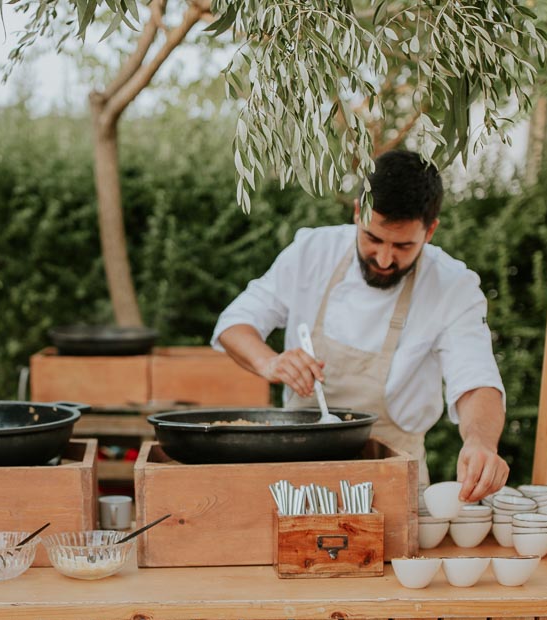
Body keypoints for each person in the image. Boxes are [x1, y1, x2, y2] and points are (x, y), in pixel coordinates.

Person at [212, 149, 509, 502]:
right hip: (294, 476)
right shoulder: (312, 251)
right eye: (373, 238)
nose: (384, 258)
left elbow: (476, 380)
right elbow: (235, 324)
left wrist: (480, 442)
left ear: (430, 231)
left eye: (403, 245)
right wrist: (269, 362)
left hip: (396, 477)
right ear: (357, 212)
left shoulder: (453, 286)